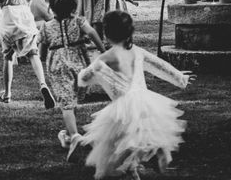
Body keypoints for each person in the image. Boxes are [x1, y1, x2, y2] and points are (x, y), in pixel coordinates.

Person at [77, 11, 194, 179]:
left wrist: (84, 76)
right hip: (145, 103)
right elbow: (158, 65)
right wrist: (180, 78)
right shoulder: (137, 51)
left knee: (109, 161)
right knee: (138, 138)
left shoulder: (105, 57)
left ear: (107, 34)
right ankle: (153, 155)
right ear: (129, 32)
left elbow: (84, 77)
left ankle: (140, 160)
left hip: (123, 110)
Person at [39, 0, 105, 157]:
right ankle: (68, 134)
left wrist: (43, 57)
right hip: (79, 64)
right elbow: (92, 33)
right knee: (72, 99)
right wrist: (103, 50)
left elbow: (42, 51)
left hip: (58, 66)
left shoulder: (45, 27)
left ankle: (74, 136)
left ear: (51, 6)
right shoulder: (79, 21)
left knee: (66, 103)